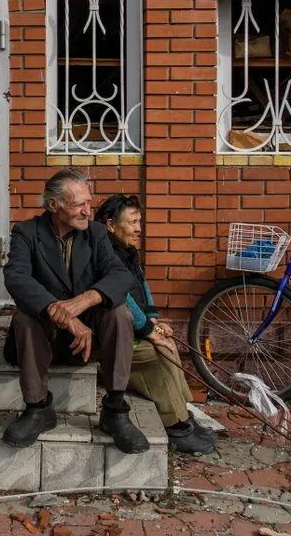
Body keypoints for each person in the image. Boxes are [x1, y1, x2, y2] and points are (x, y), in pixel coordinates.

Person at [0, 169, 149, 453]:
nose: (86, 211)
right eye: (78, 204)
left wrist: (83, 301)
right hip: (47, 337)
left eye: (89, 203)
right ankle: (38, 407)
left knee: (118, 313)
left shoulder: (95, 233)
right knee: (25, 315)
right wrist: (61, 313)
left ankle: (115, 409)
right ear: (53, 205)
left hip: (87, 341)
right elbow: (16, 278)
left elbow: (120, 275)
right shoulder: (26, 232)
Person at [96, 194, 216, 455]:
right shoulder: (103, 254)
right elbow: (122, 298)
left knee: (168, 344)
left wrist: (152, 317)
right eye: (133, 222)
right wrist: (148, 331)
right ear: (110, 225)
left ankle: (183, 414)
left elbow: (142, 284)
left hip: (136, 326)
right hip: (113, 336)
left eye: (140, 221)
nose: (139, 228)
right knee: (156, 352)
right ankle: (175, 426)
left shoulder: (128, 251)